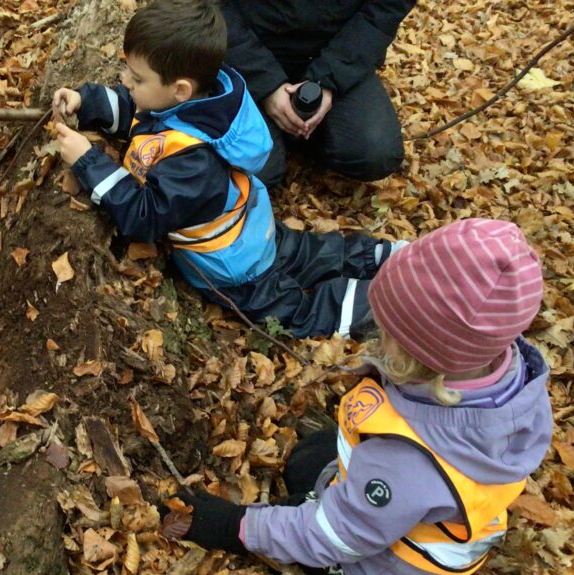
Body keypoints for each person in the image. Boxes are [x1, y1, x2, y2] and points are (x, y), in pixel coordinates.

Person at [170, 219, 551, 575]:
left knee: (321, 572)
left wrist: (235, 526)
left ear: (421, 357)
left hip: (401, 559)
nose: (376, 332)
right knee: (307, 461)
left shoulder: (403, 464)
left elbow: (333, 536)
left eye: (388, 328)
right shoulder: (501, 372)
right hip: (435, 520)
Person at [53, 0, 401, 339]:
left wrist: (88, 161)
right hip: (254, 225)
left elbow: (145, 216)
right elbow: (134, 111)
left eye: (137, 77)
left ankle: (384, 306)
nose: (127, 82)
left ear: (180, 89)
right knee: (307, 253)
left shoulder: (192, 160)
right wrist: (87, 102)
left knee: (295, 312)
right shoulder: (200, 101)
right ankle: (384, 257)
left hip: (236, 266)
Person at [218, 1, 414, 187]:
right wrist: (265, 84)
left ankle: (302, 132)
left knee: (375, 152)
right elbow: (210, 7)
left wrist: (328, 78)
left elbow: (384, 10)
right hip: (246, 52)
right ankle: (278, 132)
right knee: (253, 171)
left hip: (335, 49)